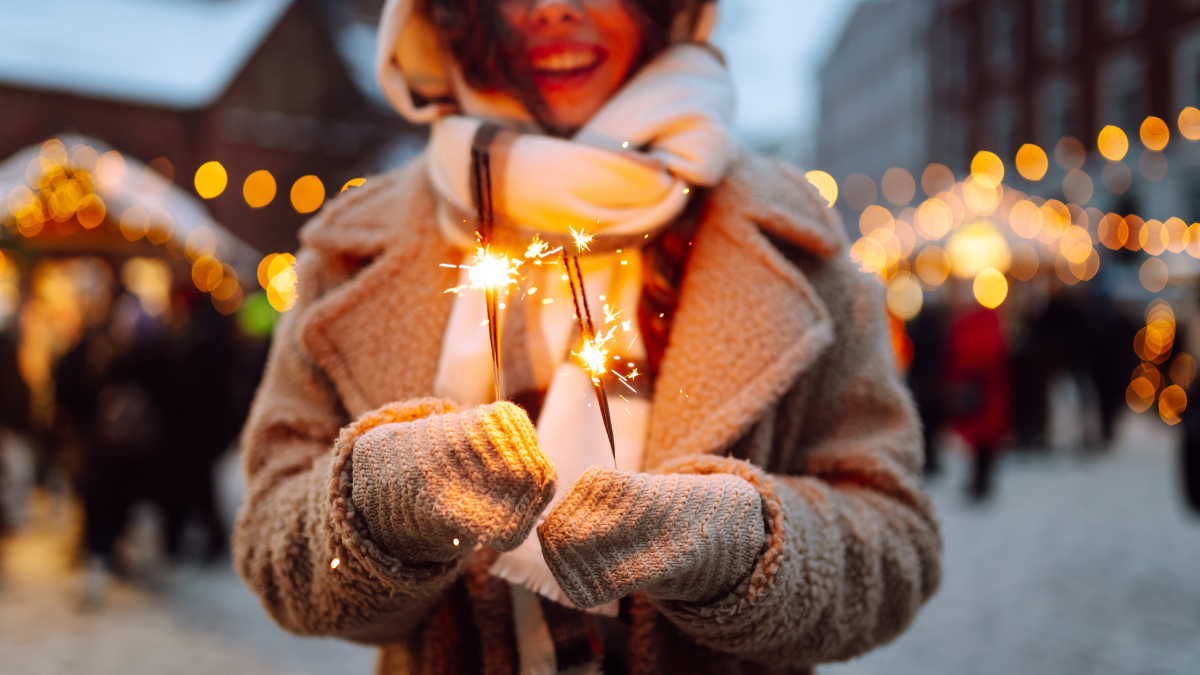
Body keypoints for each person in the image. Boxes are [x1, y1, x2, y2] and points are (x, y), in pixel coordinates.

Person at [234, 1, 942, 673]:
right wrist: (380, 505)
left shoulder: (795, 242)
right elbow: (273, 546)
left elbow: (897, 547)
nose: (553, 8)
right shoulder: (350, 246)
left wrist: (740, 544)